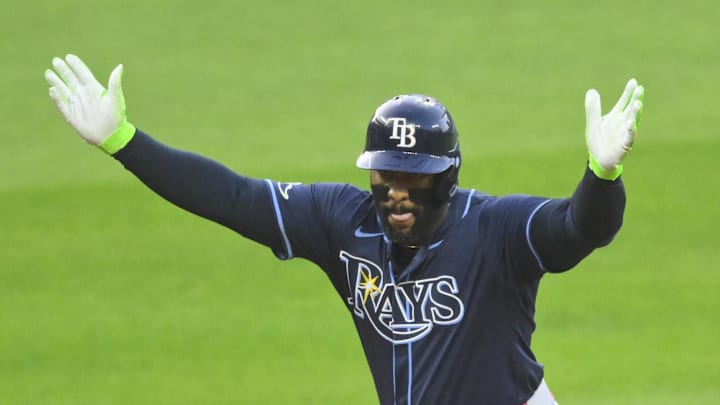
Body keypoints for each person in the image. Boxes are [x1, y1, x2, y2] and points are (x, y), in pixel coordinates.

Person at [44, 54, 644, 405]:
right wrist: (123, 142)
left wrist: (602, 174)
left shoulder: (496, 230)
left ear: (449, 176)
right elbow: (232, 198)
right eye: (386, 176)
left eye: (417, 178)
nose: (397, 192)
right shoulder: (343, 222)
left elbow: (578, 230)